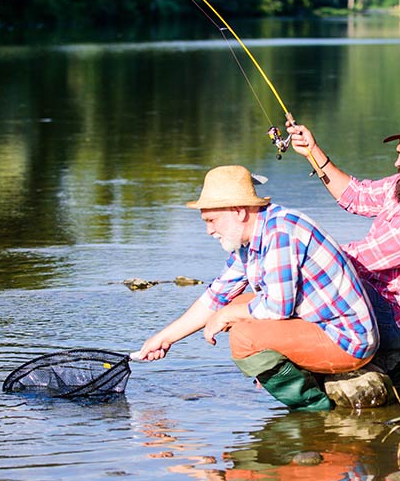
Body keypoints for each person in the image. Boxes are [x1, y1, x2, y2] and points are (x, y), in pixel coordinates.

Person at [135, 165, 378, 411]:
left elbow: (277, 308)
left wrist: (226, 316)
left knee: (244, 337)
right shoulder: (250, 240)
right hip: (321, 325)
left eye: (212, 220)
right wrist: (164, 338)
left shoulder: (280, 232)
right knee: (236, 306)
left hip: (347, 341)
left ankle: (313, 408)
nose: (209, 230)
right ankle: (308, 378)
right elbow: (215, 297)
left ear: (239, 211)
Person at [286, 112, 400, 364]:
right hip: (378, 296)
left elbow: (360, 258)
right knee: (306, 285)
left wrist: (296, 257)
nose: (396, 163)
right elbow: (356, 195)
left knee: (311, 285)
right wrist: (313, 151)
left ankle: (303, 369)